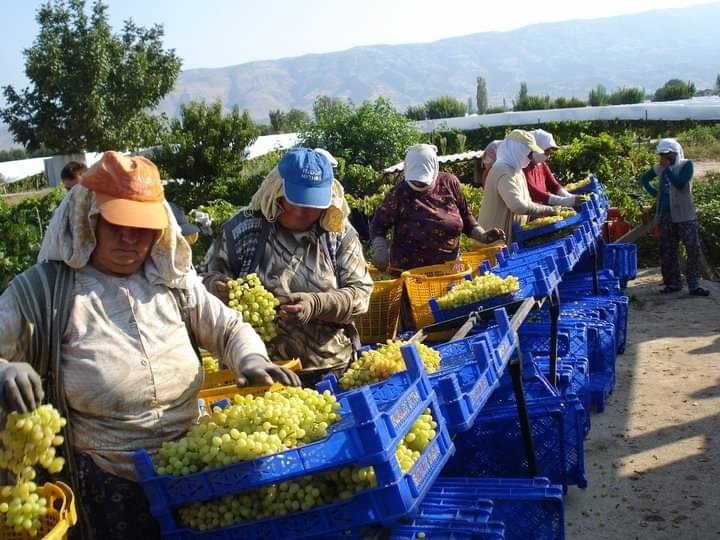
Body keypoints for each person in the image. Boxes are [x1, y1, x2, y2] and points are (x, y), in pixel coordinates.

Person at [0, 151, 300, 540]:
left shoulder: (173, 281)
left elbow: (227, 328)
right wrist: (6, 369)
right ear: (91, 220)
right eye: (117, 225)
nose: (130, 238)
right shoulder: (45, 291)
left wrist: (251, 359)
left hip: (192, 470)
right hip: (111, 486)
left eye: (142, 228)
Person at [202, 148, 373, 386]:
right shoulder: (242, 229)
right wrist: (216, 286)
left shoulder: (337, 233)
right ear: (277, 190)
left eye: (314, 203)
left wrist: (316, 304)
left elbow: (361, 294)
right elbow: (200, 281)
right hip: (260, 376)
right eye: (297, 200)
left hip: (330, 372)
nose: (305, 211)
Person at [370, 144, 505, 274]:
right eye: (415, 178)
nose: (419, 183)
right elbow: (378, 225)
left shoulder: (449, 183)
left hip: (450, 269)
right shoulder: (398, 194)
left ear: (435, 168)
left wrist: (482, 236)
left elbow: (466, 217)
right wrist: (380, 250)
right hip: (412, 277)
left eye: (424, 179)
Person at [639, 138, 710, 296]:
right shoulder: (660, 167)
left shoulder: (686, 165)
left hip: (685, 213)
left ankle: (694, 284)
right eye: (662, 154)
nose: (664, 157)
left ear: (675, 153)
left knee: (692, 248)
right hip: (665, 214)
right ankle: (673, 283)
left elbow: (680, 184)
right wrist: (656, 195)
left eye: (668, 154)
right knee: (668, 249)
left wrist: (667, 170)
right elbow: (644, 179)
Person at [476, 130, 557, 244]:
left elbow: (527, 202)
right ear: (518, 150)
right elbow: (517, 206)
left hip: (510, 242)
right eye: (529, 154)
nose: (530, 158)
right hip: (494, 245)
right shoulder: (502, 170)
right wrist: (548, 210)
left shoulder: (517, 171)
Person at [524, 129, 583, 207]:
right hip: (532, 211)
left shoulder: (542, 165)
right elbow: (535, 193)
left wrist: (569, 197)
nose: (547, 156)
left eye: (549, 153)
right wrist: (565, 201)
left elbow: (553, 185)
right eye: (546, 152)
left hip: (544, 208)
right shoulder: (524, 167)